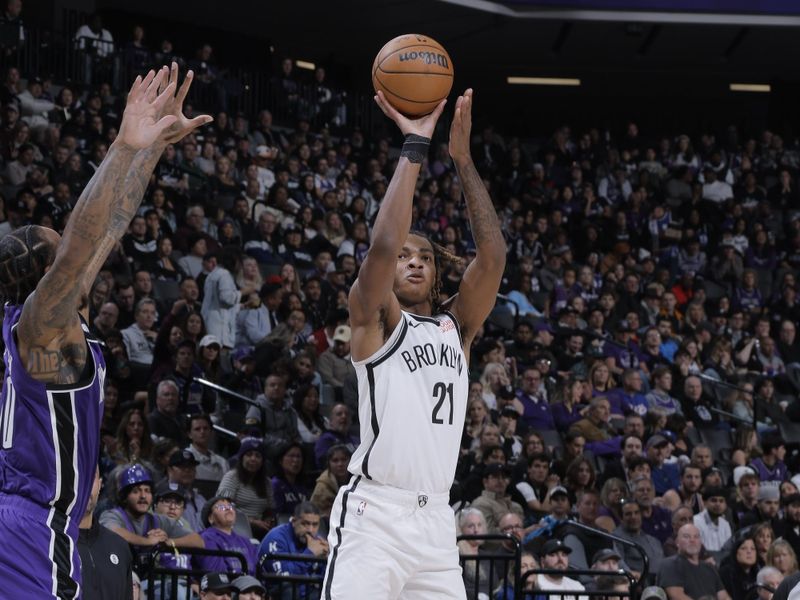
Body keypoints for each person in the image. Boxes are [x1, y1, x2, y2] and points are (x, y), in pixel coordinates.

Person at [0, 64, 210, 595]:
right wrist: (122, 145)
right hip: (26, 525)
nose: (77, 238)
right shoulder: (42, 326)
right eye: (61, 239)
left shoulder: (51, 322)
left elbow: (110, 224)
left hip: (37, 518)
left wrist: (155, 146)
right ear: (46, 278)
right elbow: (78, 246)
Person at [322, 89, 506, 599]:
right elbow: (381, 245)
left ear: (437, 269)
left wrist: (464, 162)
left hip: (435, 521)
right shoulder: (375, 319)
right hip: (375, 516)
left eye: (423, 256)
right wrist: (414, 148)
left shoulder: (457, 328)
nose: (413, 261)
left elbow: (492, 258)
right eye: (405, 256)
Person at [79, 469, 134, 600]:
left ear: (99, 484)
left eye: (90, 477)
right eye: (78, 476)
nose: (84, 484)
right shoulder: (49, 542)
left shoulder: (119, 546)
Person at [259, 501, 329, 600]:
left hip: (308, 592)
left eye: (315, 525)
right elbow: (282, 576)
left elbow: (322, 577)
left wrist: (328, 559)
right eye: (305, 523)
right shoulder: (276, 538)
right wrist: (310, 554)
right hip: (278, 592)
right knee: (289, 588)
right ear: (294, 521)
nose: (310, 529)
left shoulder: (317, 541)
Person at [658, 523, 732, 600]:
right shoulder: (669, 564)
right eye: (686, 537)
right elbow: (677, 596)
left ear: (701, 542)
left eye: (696, 537)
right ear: (677, 542)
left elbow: (724, 597)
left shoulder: (709, 568)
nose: (692, 540)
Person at [195, 496, 258, 575]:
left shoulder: (246, 542)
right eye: (221, 507)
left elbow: (258, 572)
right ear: (211, 518)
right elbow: (216, 574)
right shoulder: (206, 538)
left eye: (230, 506)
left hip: (251, 583)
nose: (228, 509)